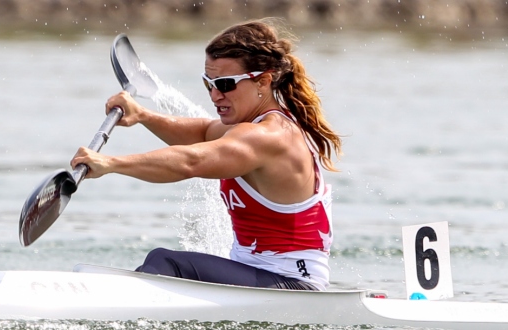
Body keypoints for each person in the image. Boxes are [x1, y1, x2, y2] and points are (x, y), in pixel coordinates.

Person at [71, 19, 342, 291]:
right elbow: (202, 133)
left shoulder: (270, 136)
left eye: (225, 84)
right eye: (208, 83)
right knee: (167, 263)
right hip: (260, 276)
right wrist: (142, 115)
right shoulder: (252, 127)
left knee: (165, 261)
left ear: (263, 80)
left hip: (293, 286)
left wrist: (110, 164)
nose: (214, 95)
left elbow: (192, 161)